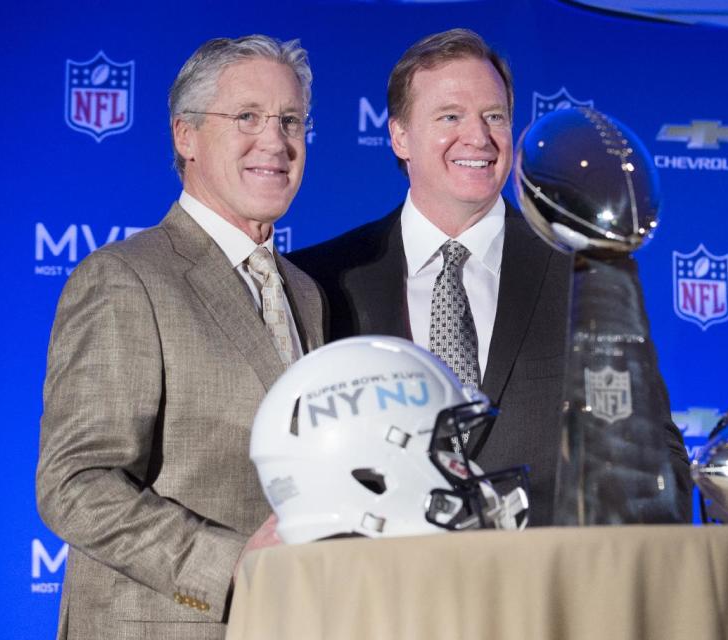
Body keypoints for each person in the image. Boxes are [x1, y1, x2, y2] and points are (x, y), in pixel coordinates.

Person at [288, 28, 691, 526]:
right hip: (383, 590)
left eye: (493, 117)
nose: (477, 137)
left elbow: (651, 454)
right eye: (450, 116)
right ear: (399, 135)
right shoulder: (322, 279)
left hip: (546, 586)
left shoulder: (582, 274)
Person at [36, 35, 324, 640]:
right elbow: (75, 484)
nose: (275, 140)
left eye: (291, 120)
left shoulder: (305, 292)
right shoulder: (124, 278)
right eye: (247, 116)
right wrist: (231, 567)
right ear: (185, 136)